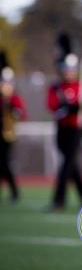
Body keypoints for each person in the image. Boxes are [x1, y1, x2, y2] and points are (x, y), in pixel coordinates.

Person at [47, 34, 82, 211]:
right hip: (62, 129)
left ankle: (59, 200)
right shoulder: (56, 87)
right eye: (66, 69)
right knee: (71, 163)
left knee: (66, 163)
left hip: (76, 129)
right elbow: (53, 107)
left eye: (71, 69)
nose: (69, 72)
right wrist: (67, 107)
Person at [0, 51, 27, 202]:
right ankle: (14, 192)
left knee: (4, 162)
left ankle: (14, 191)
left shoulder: (14, 98)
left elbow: (22, 114)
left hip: (7, 134)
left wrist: (12, 108)